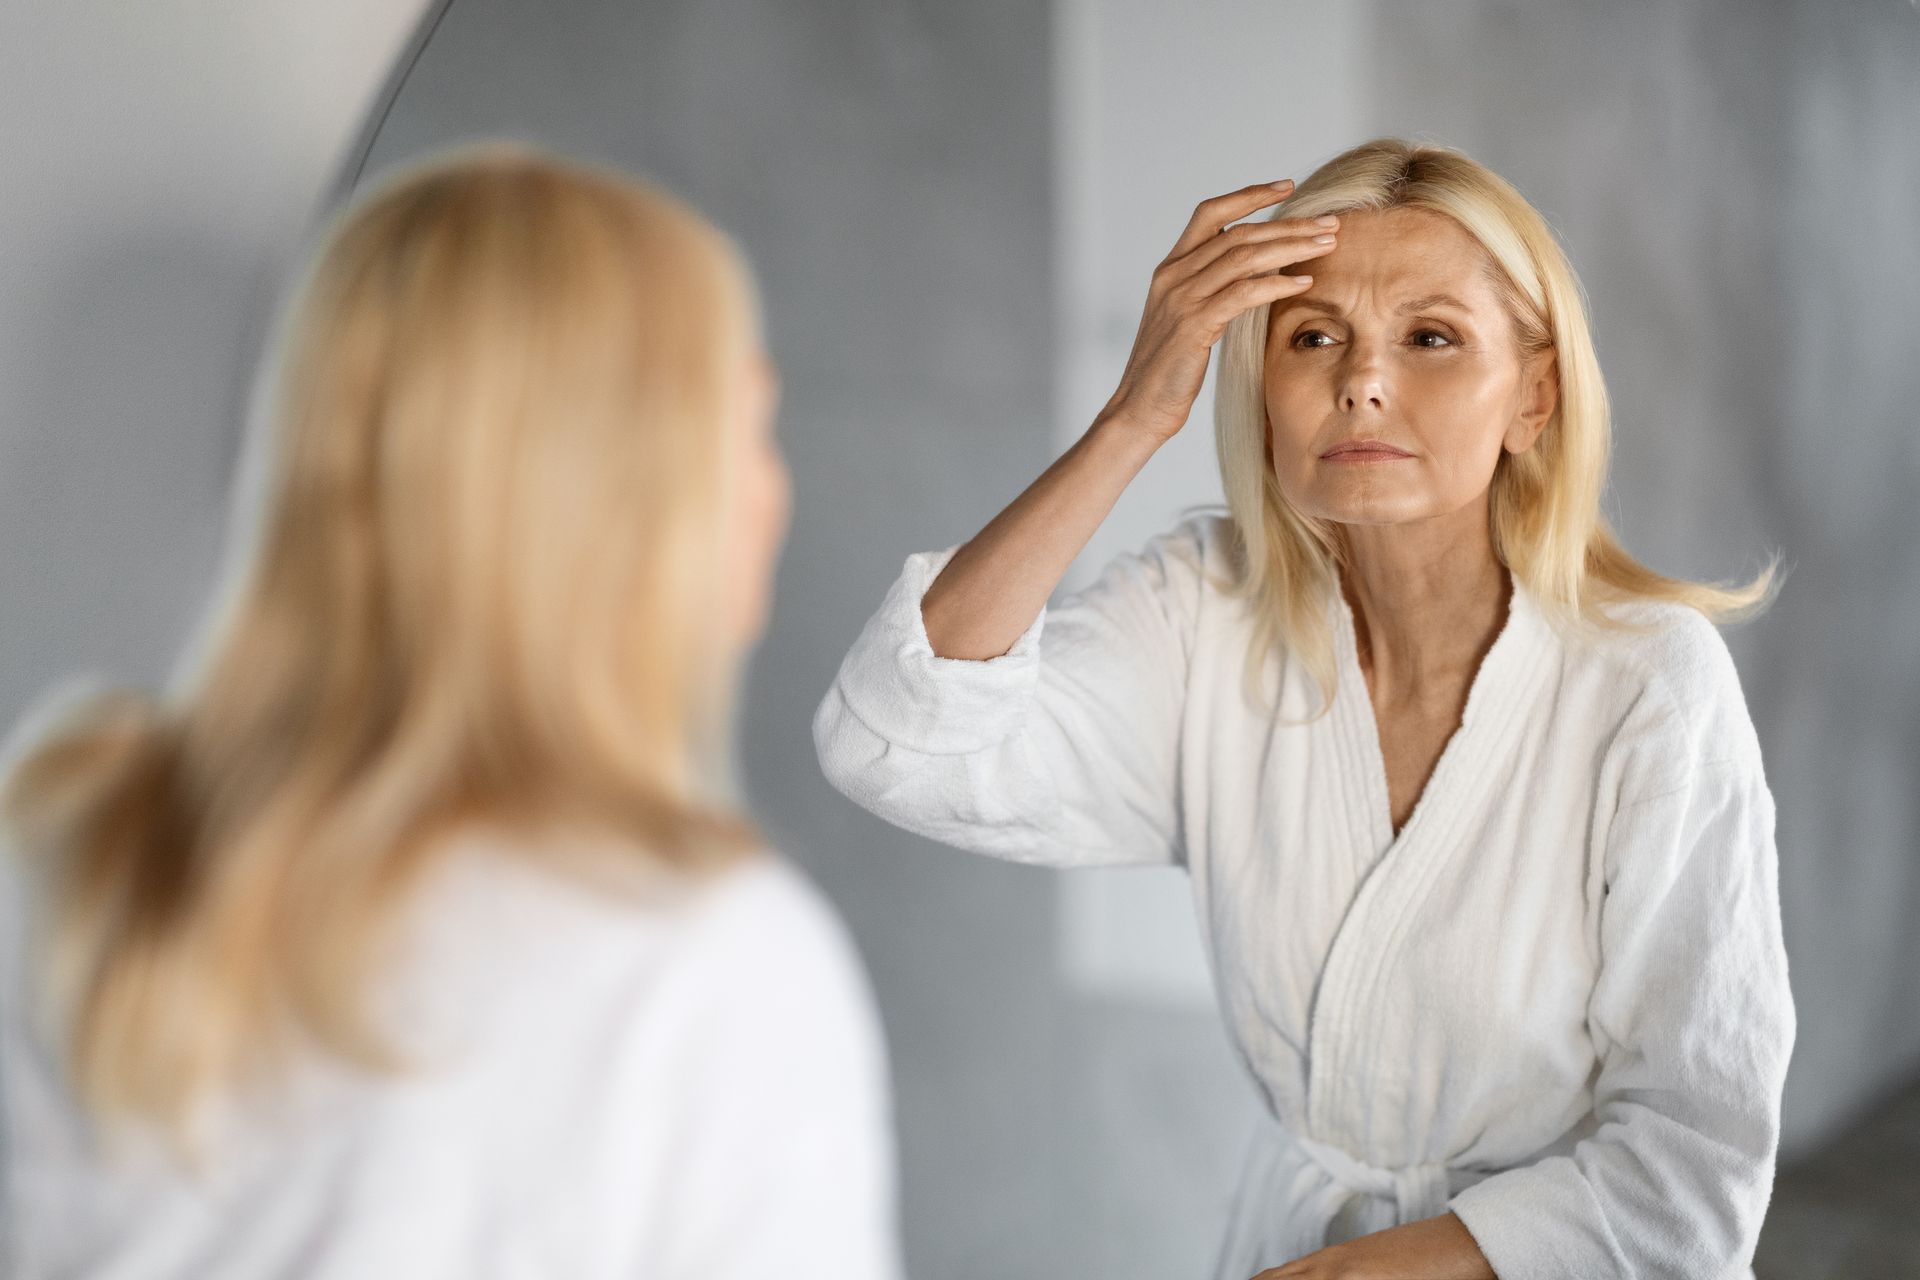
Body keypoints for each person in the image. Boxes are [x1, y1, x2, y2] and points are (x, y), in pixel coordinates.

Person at [813, 136, 1794, 1279]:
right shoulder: (1209, 613)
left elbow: (1697, 1162)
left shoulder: (1648, 685)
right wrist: (1132, 418)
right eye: (1314, 335)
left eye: (1431, 337)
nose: (1361, 380)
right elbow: (894, 740)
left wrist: (1349, 1271)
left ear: (1534, 395)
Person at [0, 141, 903, 1280]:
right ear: (624, 493)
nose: (774, 486)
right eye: (749, 427)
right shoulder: (707, 962)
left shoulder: (75, 845)